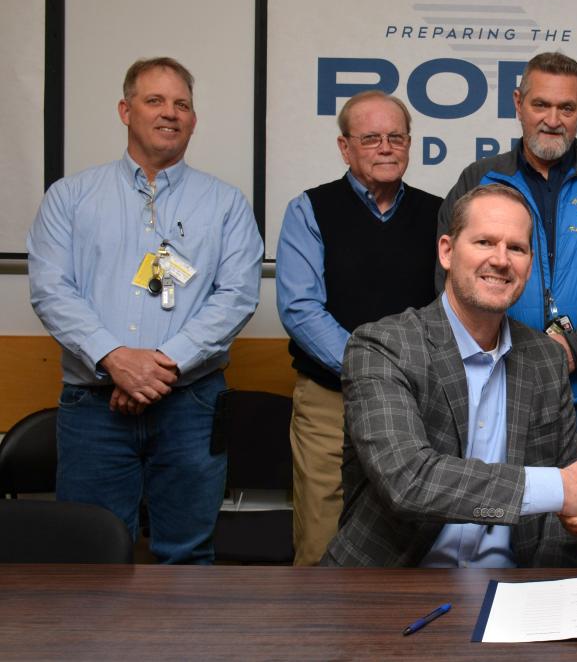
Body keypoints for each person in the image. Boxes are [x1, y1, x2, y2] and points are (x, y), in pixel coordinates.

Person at [27, 56, 263, 563]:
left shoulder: (226, 204)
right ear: (124, 110)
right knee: (87, 557)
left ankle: (183, 648)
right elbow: (51, 289)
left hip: (190, 405)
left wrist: (159, 365)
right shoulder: (70, 197)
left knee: (188, 553)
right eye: (154, 100)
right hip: (93, 407)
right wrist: (116, 359)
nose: (170, 113)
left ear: (194, 120)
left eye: (182, 104)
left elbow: (237, 295)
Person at [436, 51, 577, 567]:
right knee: (508, 527)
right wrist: (526, 354)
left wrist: (575, 350)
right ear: (518, 104)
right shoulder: (480, 178)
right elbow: (457, 277)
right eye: (540, 104)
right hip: (501, 389)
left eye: (566, 107)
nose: (553, 119)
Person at [324, 184, 577, 567]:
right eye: (484, 242)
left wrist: (540, 591)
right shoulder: (382, 347)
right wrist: (558, 489)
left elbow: (569, 503)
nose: (501, 260)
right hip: (393, 584)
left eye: (517, 248)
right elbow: (409, 480)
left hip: (512, 590)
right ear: (447, 251)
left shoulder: (545, 358)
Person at [276, 90, 442, 565]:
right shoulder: (308, 210)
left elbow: (451, 308)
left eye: (396, 137)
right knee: (321, 542)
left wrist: (401, 379)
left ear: (410, 144)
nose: (385, 147)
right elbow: (301, 309)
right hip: (332, 401)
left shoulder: (441, 214)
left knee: (414, 540)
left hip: (418, 403)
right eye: (370, 138)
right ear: (344, 148)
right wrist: (373, 370)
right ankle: (320, 639)